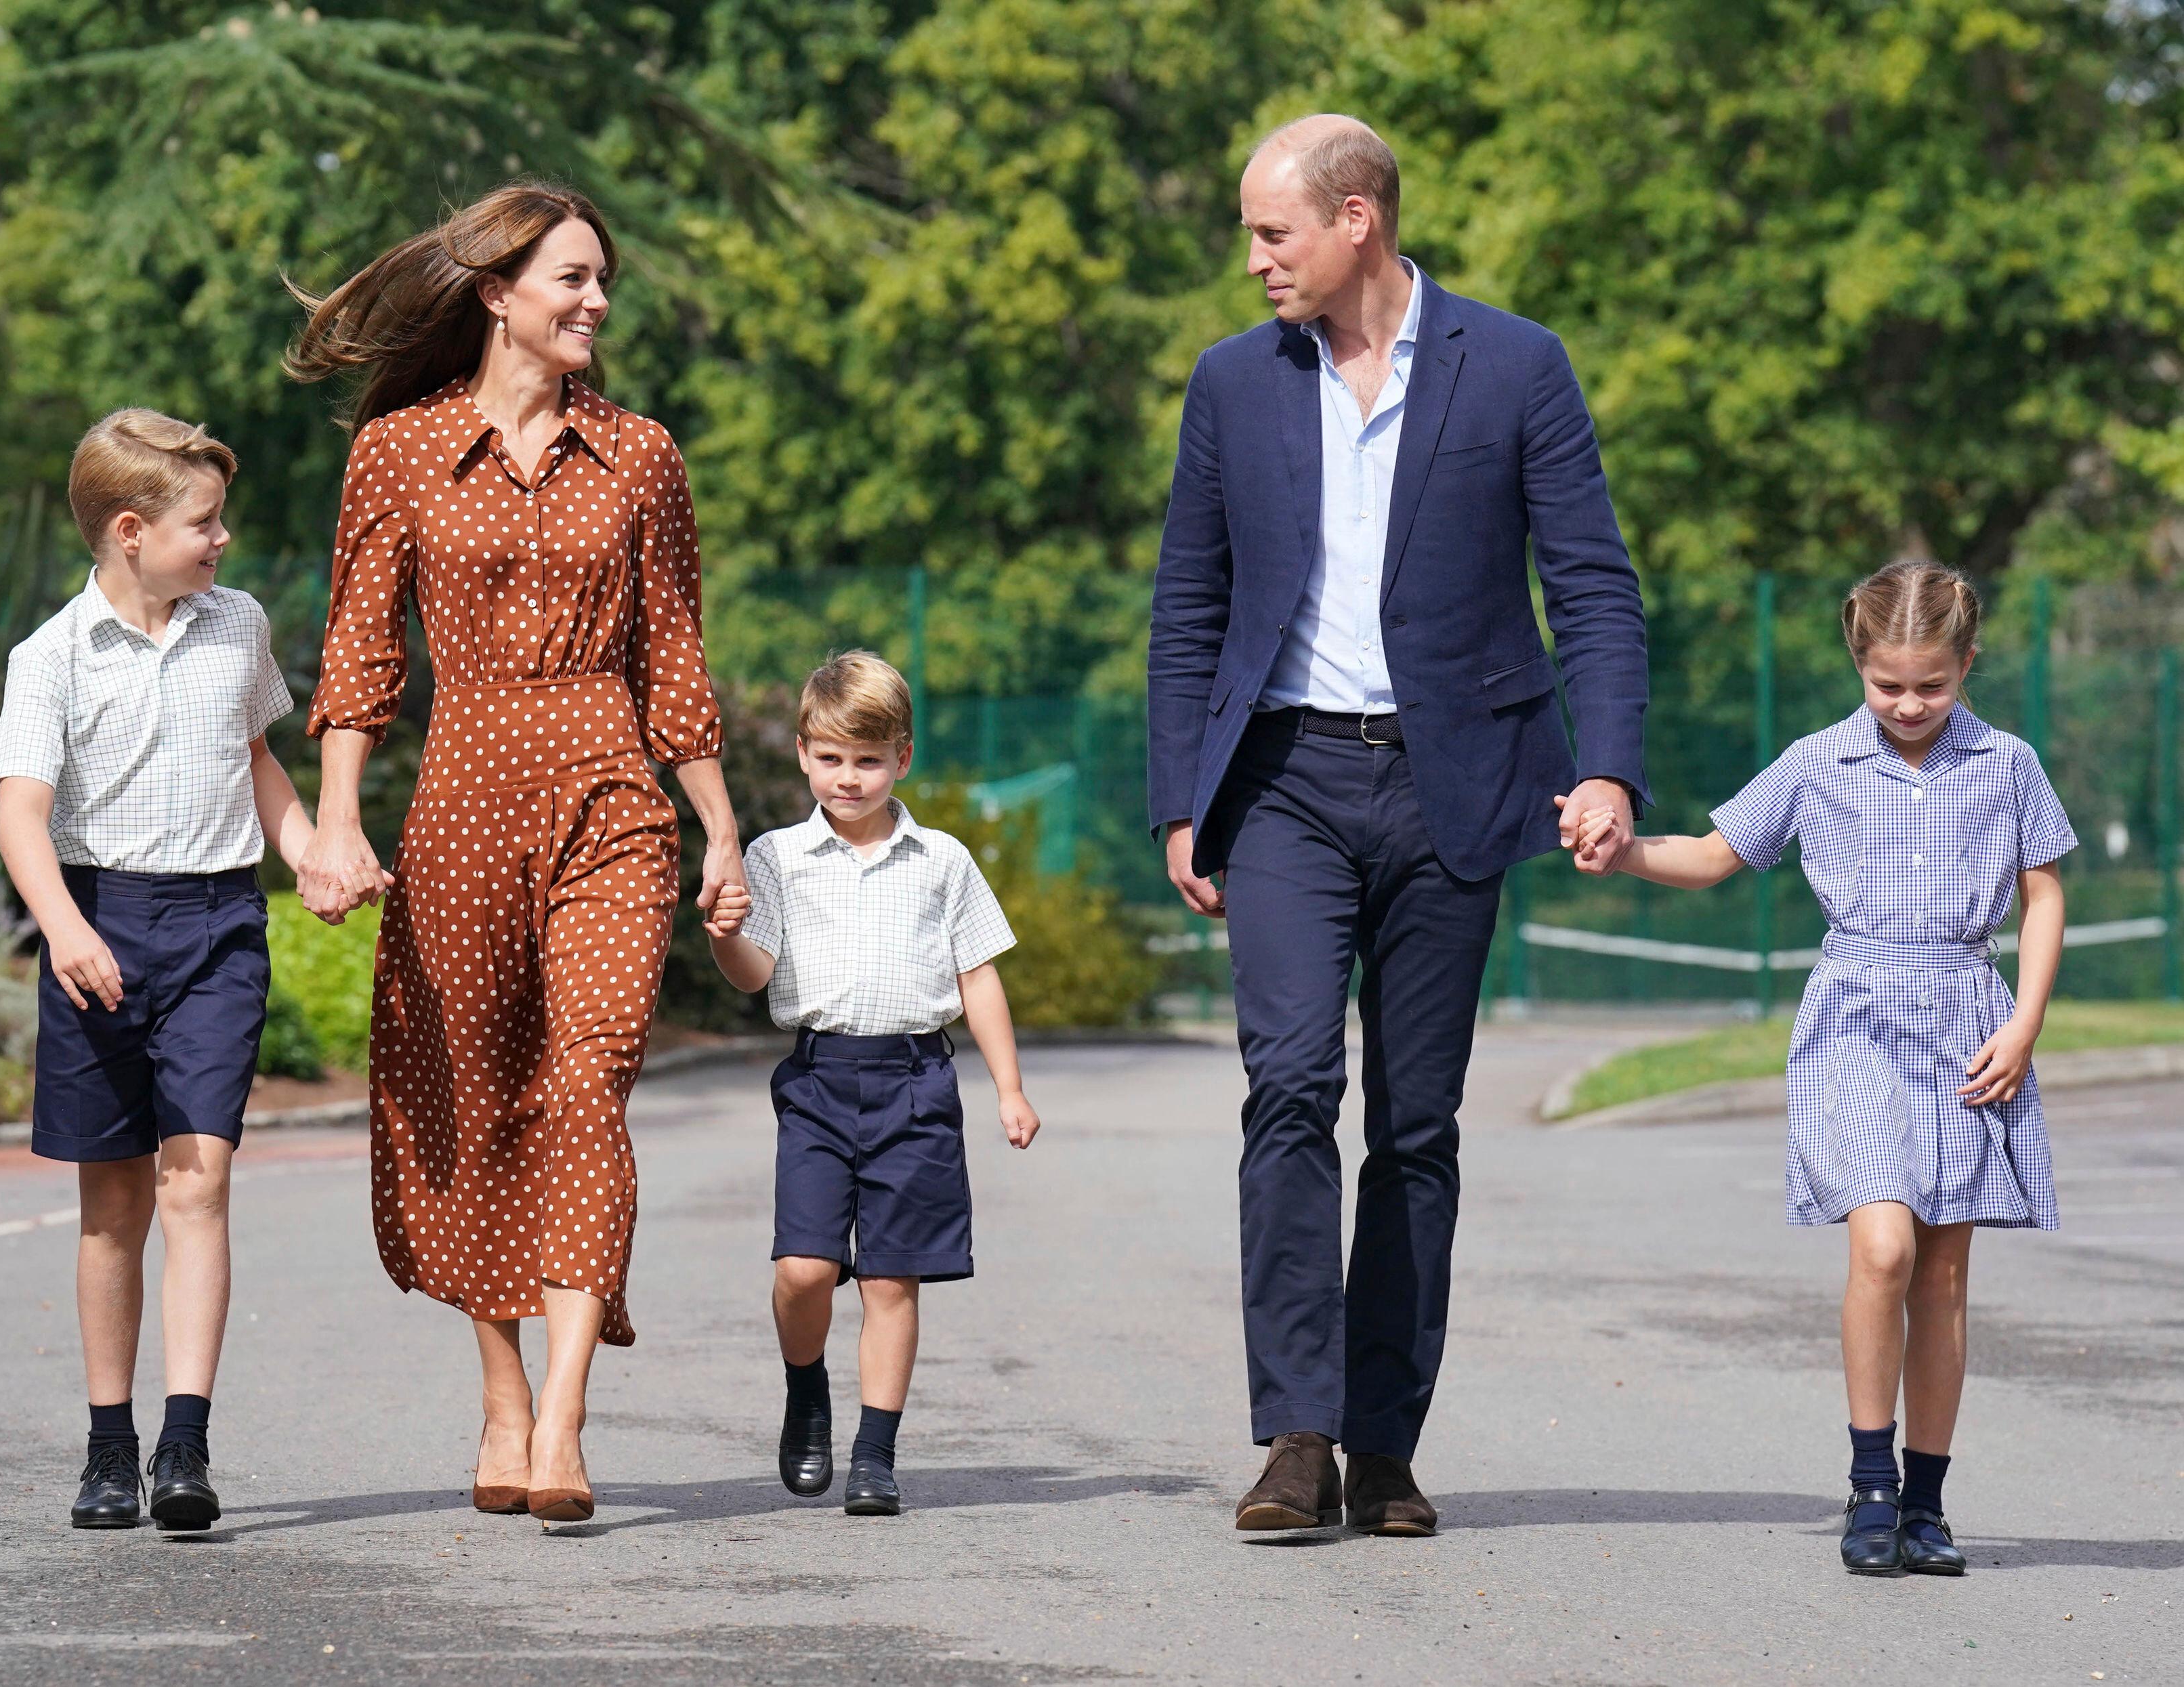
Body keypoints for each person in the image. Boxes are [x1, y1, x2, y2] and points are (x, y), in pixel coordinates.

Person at [1146, 114, 1650, 1536]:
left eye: (1272, 231)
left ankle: (1386, 1442)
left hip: (1456, 786)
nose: (1253, 260)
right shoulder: (1231, 386)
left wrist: (1605, 767)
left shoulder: (1517, 365)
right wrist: (1184, 796)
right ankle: (1297, 1437)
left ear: (1355, 219)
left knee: (1414, 1125)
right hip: (1287, 785)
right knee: (1290, 1088)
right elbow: (1187, 608)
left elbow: (1594, 588)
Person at [285, 181, 747, 1524]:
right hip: (464, 800)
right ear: (497, 293)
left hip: (613, 797)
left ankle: (563, 1423)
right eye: (570, 280)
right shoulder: (401, 455)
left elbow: (675, 660)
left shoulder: (644, 453)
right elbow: (360, 660)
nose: (595, 302)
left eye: (602, 281)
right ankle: (499, 1398)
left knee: (589, 1085)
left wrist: (720, 826)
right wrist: (334, 819)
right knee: (472, 1094)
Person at [1572, 559, 2072, 1578]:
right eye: (1888, 684)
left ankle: (1927, 1504)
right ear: (1861, 664)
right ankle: (1872, 1481)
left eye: (1932, 684)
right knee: (1881, 1245)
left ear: (1967, 664)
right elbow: (1714, 855)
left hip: (1969, 1021)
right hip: (1854, 1013)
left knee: (1941, 1269)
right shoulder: (1818, 760)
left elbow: (2043, 895)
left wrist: (2024, 1025)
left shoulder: (2009, 763)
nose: (1909, 704)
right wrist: (1621, 848)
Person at [0, 409, 311, 1531]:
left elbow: (259, 758)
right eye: (204, 524)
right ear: (132, 531)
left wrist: (310, 850)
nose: (222, 541)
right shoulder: (53, 659)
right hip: (98, 924)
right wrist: (65, 929)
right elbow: (21, 815)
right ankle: (108, 1446)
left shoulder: (238, 626)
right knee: (114, 1200)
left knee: (200, 1176)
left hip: (220, 923)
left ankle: (185, 1442)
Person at [705, 651, 1040, 1516]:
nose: (846, 778)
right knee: (804, 1270)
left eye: (866, 759)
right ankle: (806, 1387)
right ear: (801, 753)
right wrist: (721, 933)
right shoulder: (775, 858)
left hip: (916, 1081)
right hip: (819, 1082)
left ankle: (875, 1454)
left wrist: (1007, 1086)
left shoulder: (942, 860)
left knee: (893, 1278)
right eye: (829, 758)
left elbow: (979, 976)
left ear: (902, 758)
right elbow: (752, 975)